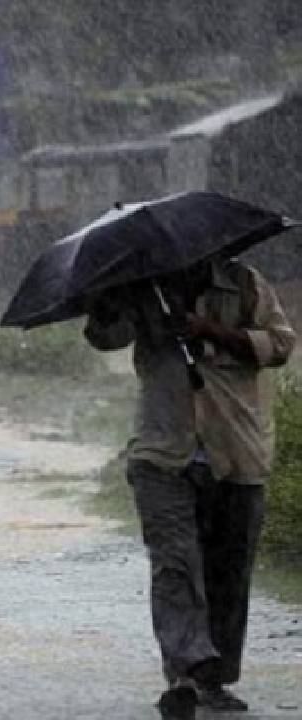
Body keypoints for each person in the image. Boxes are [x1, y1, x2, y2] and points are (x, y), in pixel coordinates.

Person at [83, 254, 295, 720]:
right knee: (175, 564)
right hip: (163, 450)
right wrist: (104, 303)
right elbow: (106, 337)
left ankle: (213, 679)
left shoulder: (245, 284)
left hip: (236, 448)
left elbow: (281, 345)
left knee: (228, 570)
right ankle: (184, 672)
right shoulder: (145, 284)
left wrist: (210, 330)